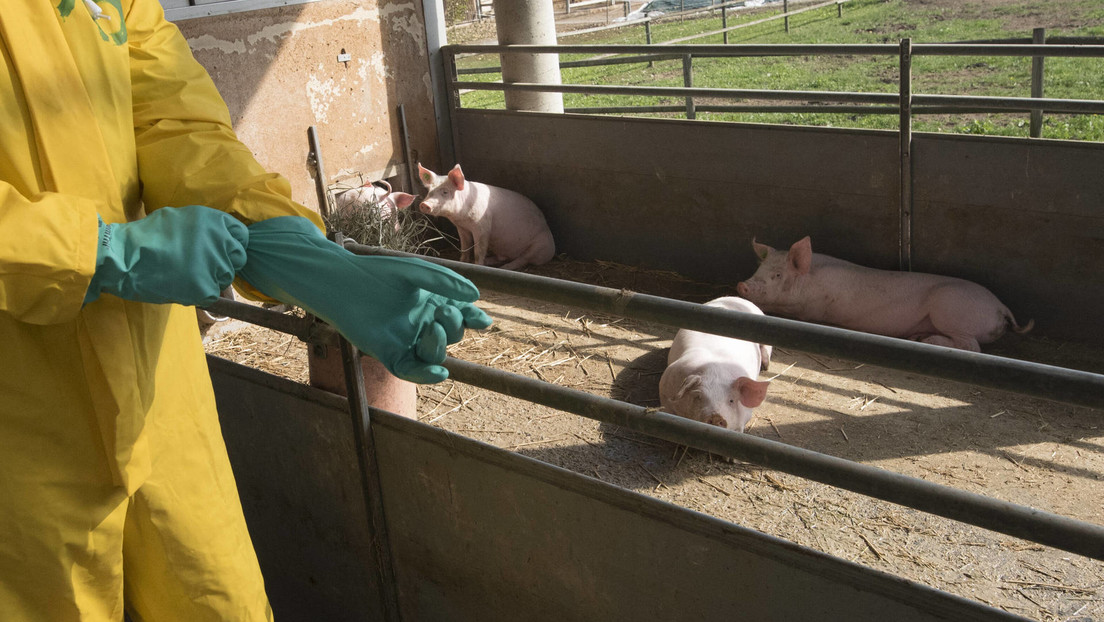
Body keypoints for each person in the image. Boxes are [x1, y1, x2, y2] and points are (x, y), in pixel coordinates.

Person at [0, 1, 489, 619]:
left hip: (155, 383)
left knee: (215, 596)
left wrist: (300, 255)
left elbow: (176, 125)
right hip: (17, 419)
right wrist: (89, 253)